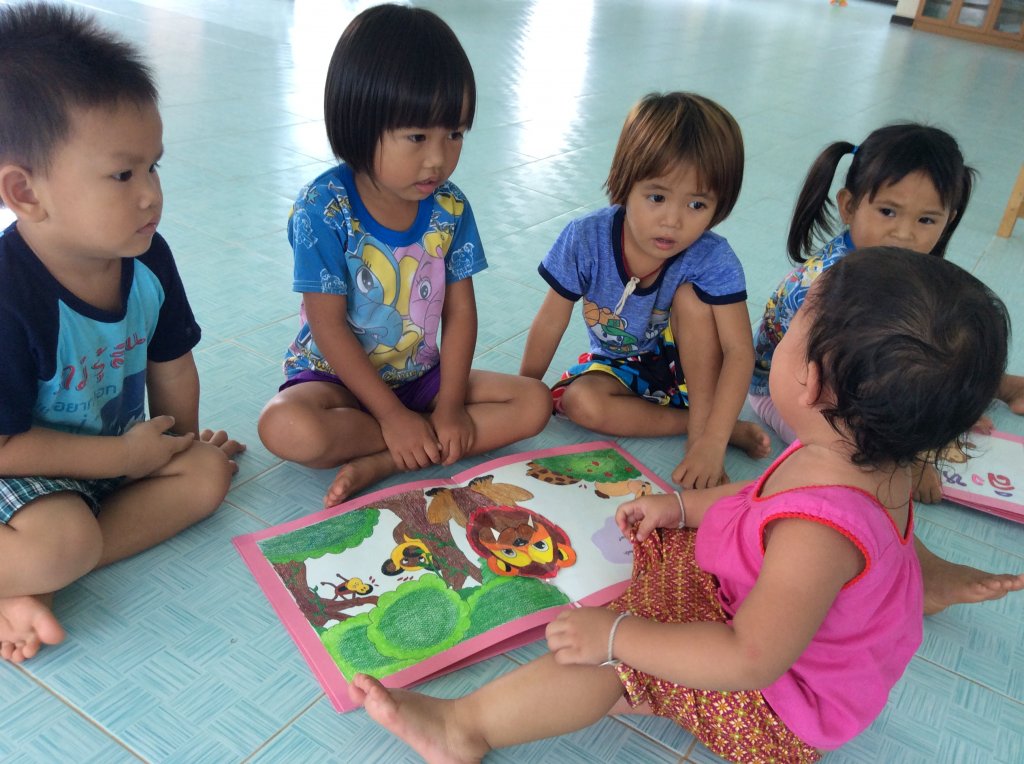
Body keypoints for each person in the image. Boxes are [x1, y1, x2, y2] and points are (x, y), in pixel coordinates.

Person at [349, 248, 1010, 763]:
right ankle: (648, 670)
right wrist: (683, 509)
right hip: (782, 632)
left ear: (809, 381)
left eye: (791, 331)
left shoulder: (819, 535)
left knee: (613, 662)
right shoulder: (867, 455)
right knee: (663, 544)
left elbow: (749, 658)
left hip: (776, 709)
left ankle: (462, 728)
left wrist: (619, 638)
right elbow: (760, 497)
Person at [0, 3, 244, 664]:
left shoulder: (147, 259)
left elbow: (173, 364)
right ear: (26, 192)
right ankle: (37, 570)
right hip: (23, 464)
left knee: (207, 474)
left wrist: (173, 443)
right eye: (122, 175)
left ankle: (35, 582)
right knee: (64, 540)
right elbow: (6, 446)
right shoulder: (10, 296)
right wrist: (122, 461)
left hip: (111, 454)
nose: (150, 195)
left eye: (154, 167)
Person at [257, 4, 550, 507]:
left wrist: (451, 405)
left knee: (534, 402)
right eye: (417, 136)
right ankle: (404, 436)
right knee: (285, 426)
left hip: (420, 378)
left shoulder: (450, 208)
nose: (438, 158)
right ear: (359, 122)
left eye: (454, 134)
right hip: (336, 381)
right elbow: (327, 326)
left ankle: (388, 458)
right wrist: (391, 417)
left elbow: (461, 312)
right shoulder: (323, 207)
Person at [750, 123, 1024, 613]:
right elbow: (835, 388)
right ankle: (922, 568)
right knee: (864, 461)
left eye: (926, 219)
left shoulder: (905, 270)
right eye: (888, 212)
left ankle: (997, 385)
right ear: (849, 206)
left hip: (862, 372)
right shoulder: (829, 286)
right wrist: (915, 447)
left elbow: (911, 348)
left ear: (949, 220)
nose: (905, 233)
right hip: (793, 388)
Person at [520, 92, 770, 490]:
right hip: (623, 369)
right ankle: (706, 426)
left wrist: (710, 444)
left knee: (690, 298)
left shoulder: (712, 257)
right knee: (578, 402)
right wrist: (525, 388)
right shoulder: (586, 238)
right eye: (657, 197)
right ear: (625, 183)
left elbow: (739, 351)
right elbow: (551, 319)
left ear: (719, 205)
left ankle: (704, 432)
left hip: (697, 375)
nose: (672, 221)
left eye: (697, 205)